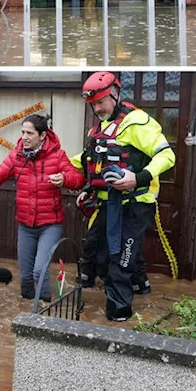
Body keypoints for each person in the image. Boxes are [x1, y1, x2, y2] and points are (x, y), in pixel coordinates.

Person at [69, 72, 175, 322]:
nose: (97, 109)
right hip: (107, 201)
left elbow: (167, 156)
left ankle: (118, 316)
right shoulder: (99, 127)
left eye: (101, 102)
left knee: (121, 260)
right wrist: (66, 174)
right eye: (92, 104)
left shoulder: (138, 122)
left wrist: (137, 178)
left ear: (115, 95)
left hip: (136, 202)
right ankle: (141, 286)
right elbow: (88, 161)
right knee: (101, 253)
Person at [0, 114, 83, 302]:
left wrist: (65, 179)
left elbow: (78, 179)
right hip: (26, 225)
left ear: (42, 135)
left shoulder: (57, 156)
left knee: (39, 272)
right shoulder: (17, 155)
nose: (24, 137)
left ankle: (43, 311)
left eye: (29, 133)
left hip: (50, 224)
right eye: (22, 132)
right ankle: (27, 310)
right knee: (26, 277)